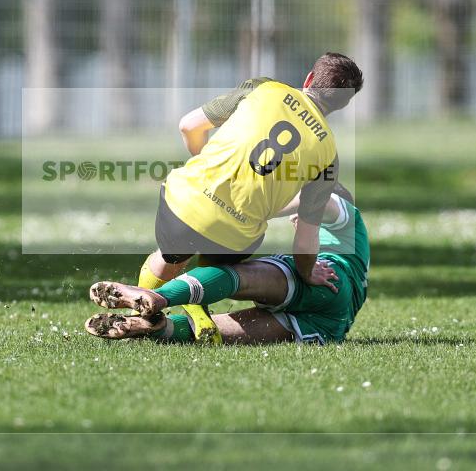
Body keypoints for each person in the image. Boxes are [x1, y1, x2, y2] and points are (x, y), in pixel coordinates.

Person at [137, 53, 363, 343]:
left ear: (309, 79)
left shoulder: (264, 88)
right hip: (235, 236)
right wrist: (308, 273)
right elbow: (306, 239)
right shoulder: (329, 156)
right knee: (217, 257)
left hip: (185, 202)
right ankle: (196, 299)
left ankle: (141, 313)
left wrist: (206, 164)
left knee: (170, 255)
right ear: (343, 104)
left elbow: (188, 125)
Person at [87, 184, 369, 346]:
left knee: (237, 276)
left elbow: (318, 199)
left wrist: (251, 210)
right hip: (328, 325)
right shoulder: (357, 250)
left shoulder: (345, 209)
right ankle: (152, 327)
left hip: (327, 278)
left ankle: (158, 296)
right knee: (209, 331)